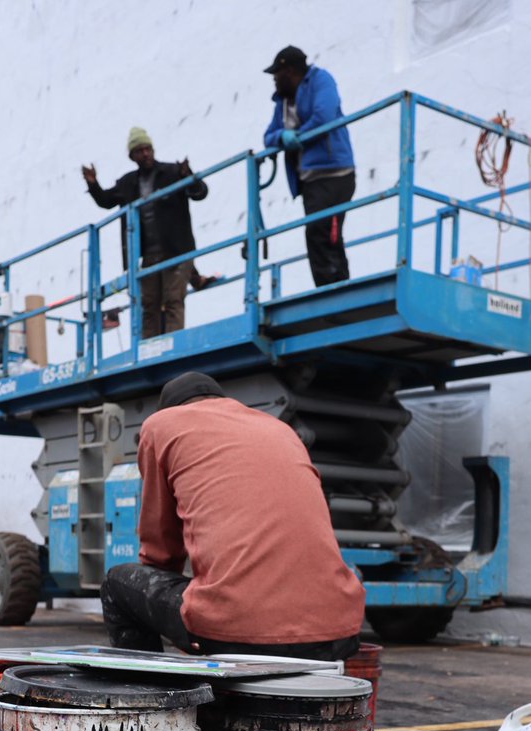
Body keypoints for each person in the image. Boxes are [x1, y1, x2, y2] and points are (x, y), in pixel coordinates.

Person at [99, 371, 365, 660]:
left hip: (239, 632)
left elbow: (160, 551)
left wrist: (186, 612)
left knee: (117, 584)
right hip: (339, 633)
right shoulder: (278, 427)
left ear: (171, 409)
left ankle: (151, 700)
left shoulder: (161, 425)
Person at [81, 127, 208, 339]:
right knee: (149, 303)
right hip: (148, 255)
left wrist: (190, 177)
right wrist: (93, 184)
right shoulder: (127, 183)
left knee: (173, 299)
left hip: (176, 250)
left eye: (148, 148)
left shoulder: (172, 172)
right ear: (132, 156)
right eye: (139, 150)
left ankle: (173, 345)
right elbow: (106, 200)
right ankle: (150, 347)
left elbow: (200, 193)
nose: (146, 154)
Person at [263, 46, 356, 288]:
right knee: (319, 233)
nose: (274, 79)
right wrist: (283, 137)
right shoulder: (282, 102)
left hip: (334, 172)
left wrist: (298, 137)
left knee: (323, 231)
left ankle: (335, 289)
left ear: (290, 71)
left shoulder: (321, 81)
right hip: (309, 180)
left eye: (277, 73)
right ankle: (330, 287)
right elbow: (268, 136)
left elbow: (324, 116)